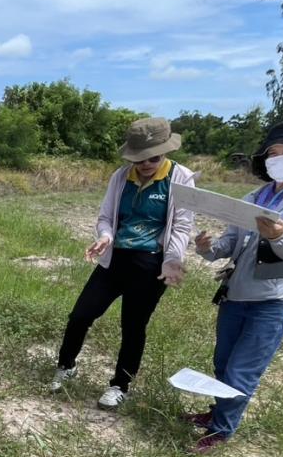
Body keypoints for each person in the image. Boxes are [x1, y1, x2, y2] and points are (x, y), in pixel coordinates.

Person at [189, 118, 283, 454]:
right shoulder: (256, 195)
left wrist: (279, 234)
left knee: (243, 369)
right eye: (274, 152)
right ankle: (218, 412)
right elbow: (229, 245)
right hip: (236, 292)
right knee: (223, 362)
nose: (280, 157)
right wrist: (205, 247)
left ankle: (222, 431)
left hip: (272, 298)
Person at [51, 117, 196, 408]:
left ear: (166, 152)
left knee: (133, 326)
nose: (145, 164)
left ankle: (120, 385)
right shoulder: (121, 177)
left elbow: (181, 225)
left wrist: (172, 260)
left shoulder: (181, 178)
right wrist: (105, 237)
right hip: (115, 258)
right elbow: (106, 217)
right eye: (138, 158)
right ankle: (66, 366)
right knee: (81, 315)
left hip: (151, 263)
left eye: (152, 157)